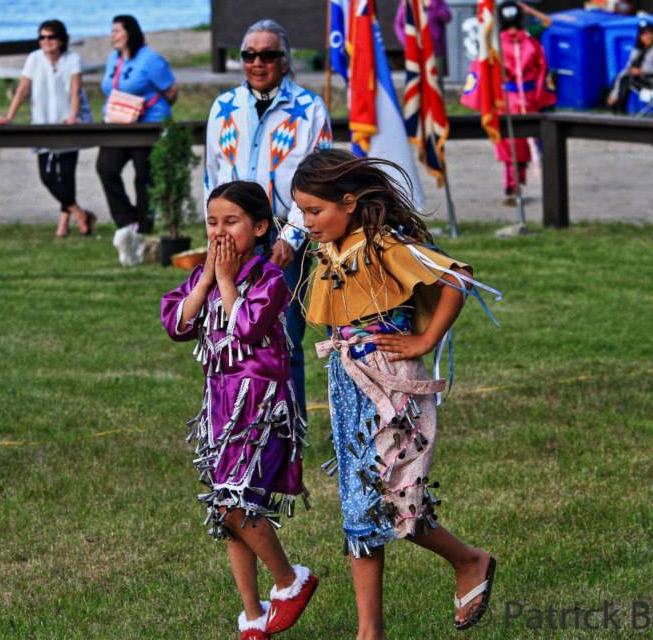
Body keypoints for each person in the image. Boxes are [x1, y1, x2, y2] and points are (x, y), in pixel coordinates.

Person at [292, 149, 501, 636]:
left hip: (391, 382)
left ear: (348, 202)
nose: (306, 221)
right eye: (301, 211)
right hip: (348, 381)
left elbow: (457, 277)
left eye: (314, 210)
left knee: (394, 498)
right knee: (360, 505)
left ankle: (469, 561)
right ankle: (371, 631)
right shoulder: (332, 248)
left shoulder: (384, 244)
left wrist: (426, 340)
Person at [160, 181, 318, 640]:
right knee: (227, 511)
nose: (219, 233)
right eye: (212, 223)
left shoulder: (269, 280)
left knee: (235, 502)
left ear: (262, 226)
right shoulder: (204, 278)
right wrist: (208, 277)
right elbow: (177, 323)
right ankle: (253, 614)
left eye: (231, 222)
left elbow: (246, 328)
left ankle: (290, 580)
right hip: (220, 409)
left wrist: (226, 280)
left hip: (261, 408)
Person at [204, 19, 333, 420]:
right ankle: (239, 419)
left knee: (284, 332)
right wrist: (215, 230)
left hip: (283, 234)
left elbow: (316, 180)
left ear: (284, 60)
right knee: (229, 326)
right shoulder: (224, 108)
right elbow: (212, 172)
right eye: (249, 55)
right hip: (233, 235)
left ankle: (290, 425)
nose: (257, 62)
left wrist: (292, 239)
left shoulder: (309, 108)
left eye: (268, 54)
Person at [0, 20, 95, 238]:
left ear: (61, 40)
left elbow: (75, 90)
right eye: (42, 37)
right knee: (47, 176)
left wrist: (73, 116)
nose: (46, 42)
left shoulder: (73, 60)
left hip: (67, 123)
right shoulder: (34, 59)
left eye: (51, 37)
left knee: (67, 175)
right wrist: (9, 116)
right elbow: (23, 89)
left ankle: (64, 224)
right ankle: (79, 213)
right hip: (42, 123)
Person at [96, 15, 178, 238]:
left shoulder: (151, 59)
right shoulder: (113, 58)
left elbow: (171, 91)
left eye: (117, 31)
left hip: (147, 125)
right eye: (112, 31)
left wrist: (151, 111)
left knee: (144, 176)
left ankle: (144, 225)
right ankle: (126, 220)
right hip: (117, 124)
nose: (112, 36)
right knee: (106, 168)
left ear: (130, 33)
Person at [496, 0, 555, 205]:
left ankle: (513, 187)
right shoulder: (530, 38)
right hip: (526, 100)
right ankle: (515, 186)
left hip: (506, 101)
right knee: (524, 143)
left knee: (510, 144)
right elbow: (547, 21)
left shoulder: (497, 42)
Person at [606, 20, 653, 114]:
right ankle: (617, 107)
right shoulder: (637, 50)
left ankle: (620, 112)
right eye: (644, 34)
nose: (647, 37)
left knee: (627, 80)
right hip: (641, 80)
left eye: (649, 33)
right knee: (621, 77)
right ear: (640, 37)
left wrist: (642, 71)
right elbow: (627, 70)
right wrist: (614, 94)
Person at [394, 0, 452, 77]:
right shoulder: (406, 1)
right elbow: (399, 24)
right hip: (414, 48)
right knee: (416, 79)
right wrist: (407, 42)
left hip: (435, 48)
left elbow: (447, 17)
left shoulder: (437, 1)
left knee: (436, 81)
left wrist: (432, 5)